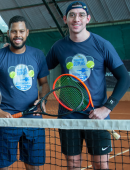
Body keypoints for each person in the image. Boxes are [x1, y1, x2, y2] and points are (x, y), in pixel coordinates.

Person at [46, 1, 130, 169]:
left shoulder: (102, 45)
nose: (76, 19)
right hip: (68, 117)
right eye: (72, 15)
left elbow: (124, 78)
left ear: (88, 19)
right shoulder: (59, 47)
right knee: (73, 163)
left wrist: (106, 108)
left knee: (100, 164)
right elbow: (40, 68)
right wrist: (15, 52)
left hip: (97, 116)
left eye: (81, 15)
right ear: (65, 19)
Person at [0, 15, 50, 170]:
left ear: (27, 32)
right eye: (14, 31)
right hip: (6, 121)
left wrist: (43, 99)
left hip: (33, 120)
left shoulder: (38, 55)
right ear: (8, 33)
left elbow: (44, 83)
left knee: (33, 166)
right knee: (2, 167)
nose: (17, 35)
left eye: (21, 31)